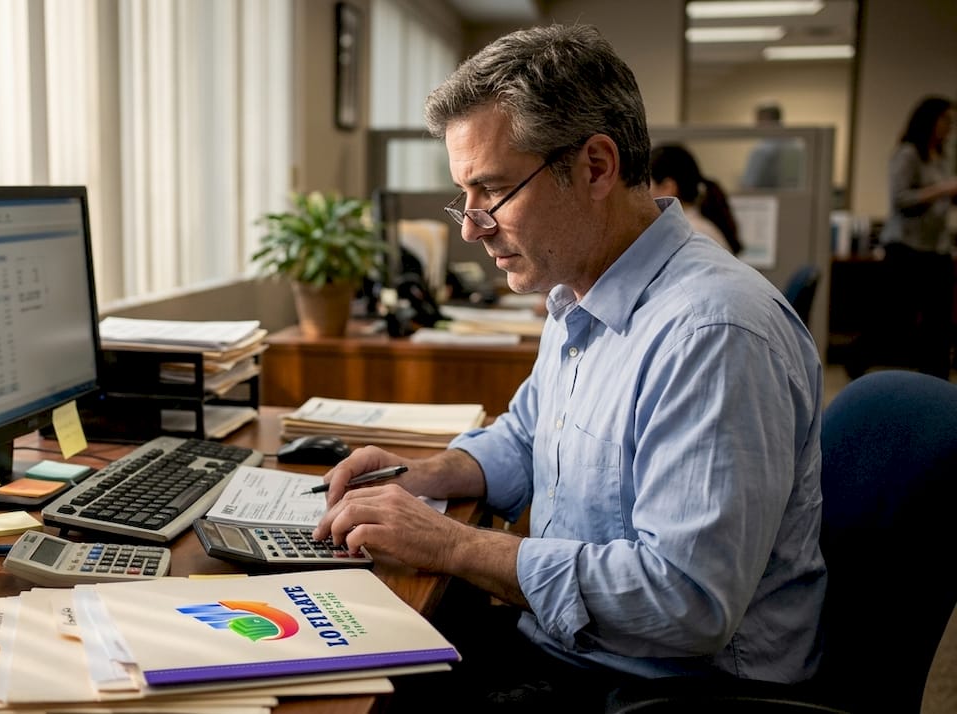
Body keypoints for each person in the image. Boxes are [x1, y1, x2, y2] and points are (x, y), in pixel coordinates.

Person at [312, 24, 825, 713]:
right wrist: (429, 473)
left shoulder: (713, 334)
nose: (471, 227)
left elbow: (685, 602)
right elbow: (529, 434)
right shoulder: (579, 290)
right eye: (462, 195)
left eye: (490, 192)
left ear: (595, 167)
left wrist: (453, 545)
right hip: (574, 643)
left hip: (665, 688)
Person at [861, 95, 957, 378]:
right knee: (892, 316)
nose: (949, 128)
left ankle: (935, 377)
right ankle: (859, 360)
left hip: (936, 247)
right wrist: (943, 189)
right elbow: (901, 199)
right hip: (906, 248)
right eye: (946, 121)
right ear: (930, 120)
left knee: (938, 320)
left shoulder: (942, 155)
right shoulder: (908, 153)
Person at [650, 143, 742, 254]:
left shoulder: (686, 233)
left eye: (646, 185)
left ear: (668, 188)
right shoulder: (696, 228)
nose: (642, 193)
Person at [740, 102, 805, 189]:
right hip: (797, 198)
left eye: (758, 120)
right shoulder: (797, 145)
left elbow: (749, 183)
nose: (756, 125)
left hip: (768, 198)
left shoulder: (763, 149)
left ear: (765, 118)